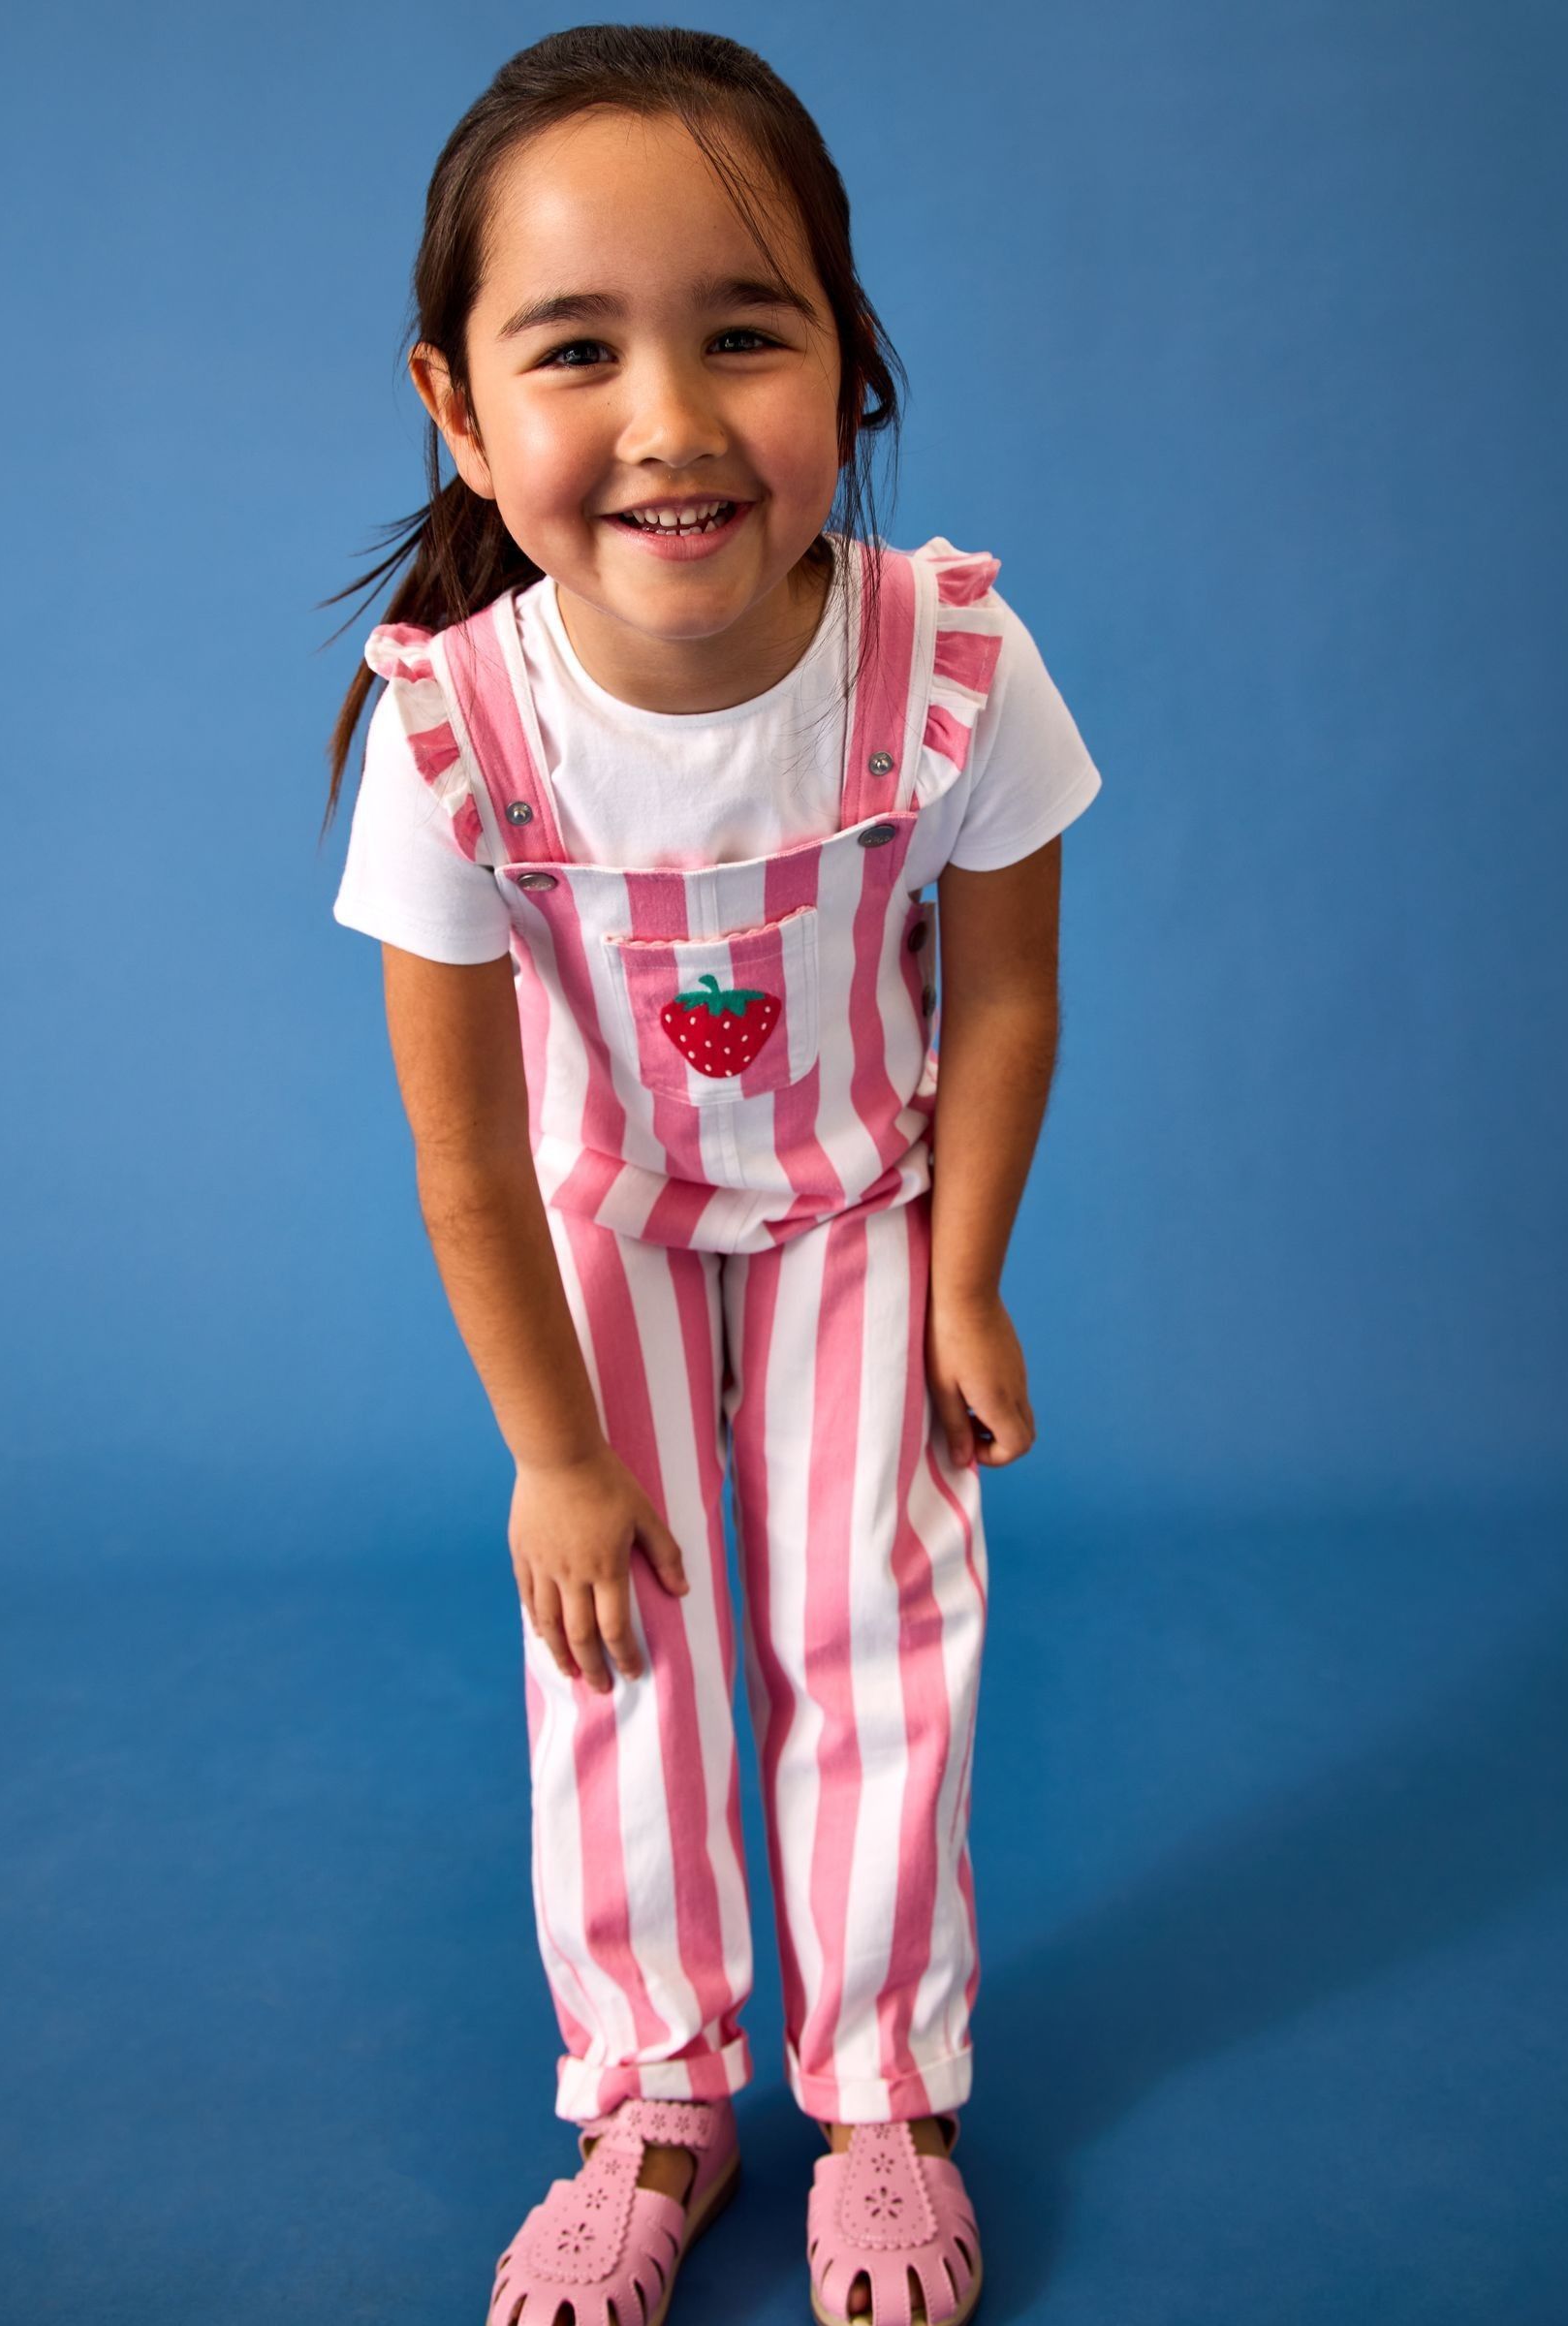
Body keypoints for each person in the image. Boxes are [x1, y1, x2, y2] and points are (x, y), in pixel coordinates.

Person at [321, 26, 1103, 2326]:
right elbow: (466, 1147)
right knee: (627, 1654)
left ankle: (886, 2093)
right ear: (459, 408)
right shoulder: (458, 731)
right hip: (606, 1249)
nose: (670, 420)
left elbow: (1009, 1001)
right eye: (579, 350)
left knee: (878, 1639)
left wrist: (968, 1280)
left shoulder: (944, 663)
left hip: (868, 1213)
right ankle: (655, 2093)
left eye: (743, 332)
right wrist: (553, 1455)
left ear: (848, 372)